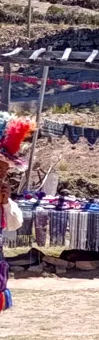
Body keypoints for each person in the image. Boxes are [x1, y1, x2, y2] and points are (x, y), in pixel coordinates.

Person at [0, 114, 33, 313]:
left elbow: (14, 224)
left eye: (4, 171)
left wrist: (4, 204)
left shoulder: (4, 200)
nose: (3, 174)